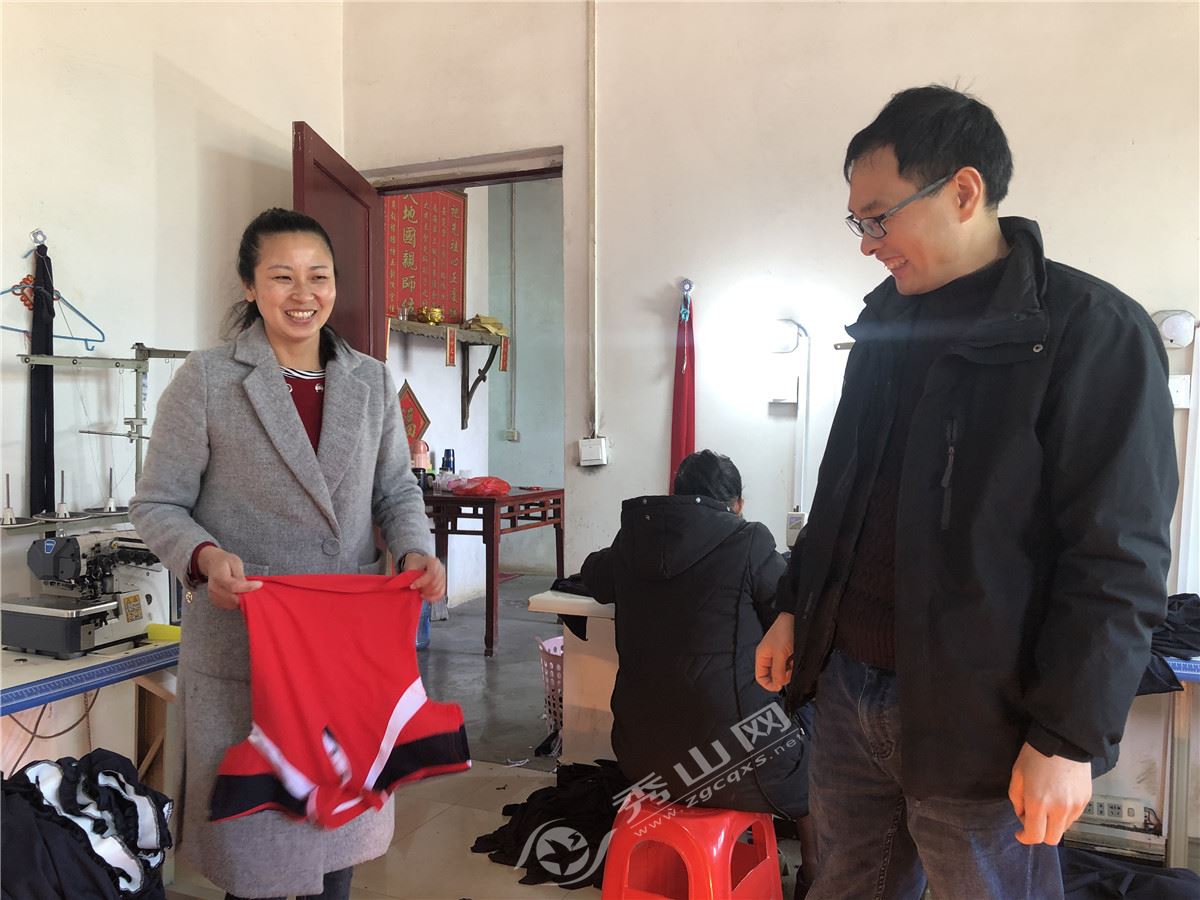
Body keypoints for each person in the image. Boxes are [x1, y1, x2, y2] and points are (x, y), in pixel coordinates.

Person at [755, 86, 1177, 900]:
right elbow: (843, 491)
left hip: (982, 717)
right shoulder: (883, 326)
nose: (867, 244)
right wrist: (794, 609)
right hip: (848, 691)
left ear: (963, 190)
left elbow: (1116, 558)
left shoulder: (1089, 331)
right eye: (857, 223)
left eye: (879, 218)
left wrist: (1067, 738)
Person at [129, 208, 446, 900]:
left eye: (318, 276)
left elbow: (395, 489)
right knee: (258, 856)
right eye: (282, 277)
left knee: (339, 848)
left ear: (335, 286)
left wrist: (415, 549)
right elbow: (157, 504)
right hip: (248, 645)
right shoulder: (208, 380)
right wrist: (203, 556)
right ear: (250, 286)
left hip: (344, 652)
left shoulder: (370, 382)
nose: (303, 294)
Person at [582, 449, 817, 890]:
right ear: (737, 504)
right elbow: (790, 608)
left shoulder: (631, 541)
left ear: (676, 496)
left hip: (641, 761)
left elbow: (592, 574)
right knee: (814, 731)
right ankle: (815, 878)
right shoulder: (749, 542)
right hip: (738, 764)